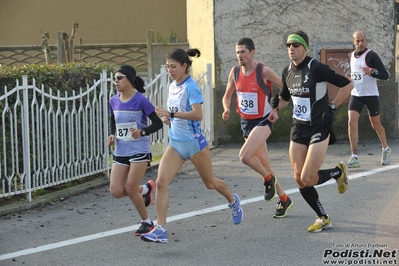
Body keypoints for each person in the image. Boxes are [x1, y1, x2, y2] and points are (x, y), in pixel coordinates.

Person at [141, 48, 243, 243]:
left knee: (210, 183)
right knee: (161, 183)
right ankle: (161, 229)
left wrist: (171, 115)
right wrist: (168, 119)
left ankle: (233, 201)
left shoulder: (191, 87)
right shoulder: (172, 86)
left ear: (184, 66)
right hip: (176, 144)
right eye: (168, 67)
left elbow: (198, 115)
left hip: (195, 144)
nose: (170, 70)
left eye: (174, 66)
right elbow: (175, 114)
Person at [271, 31, 354, 232]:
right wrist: (275, 104)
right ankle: (322, 217)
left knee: (308, 177)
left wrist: (332, 108)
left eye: (296, 45)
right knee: (298, 178)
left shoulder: (315, 67)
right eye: (289, 45)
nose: (291, 48)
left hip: (318, 127)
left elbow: (348, 84)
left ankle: (337, 172)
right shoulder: (287, 71)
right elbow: (284, 100)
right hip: (298, 128)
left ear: (304, 48)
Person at [222, 37, 293, 218]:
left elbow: (285, 89)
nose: (240, 56)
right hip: (246, 122)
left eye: (243, 52)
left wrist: (276, 108)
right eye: (237, 52)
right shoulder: (235, 72)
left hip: (264, 120)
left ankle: (268, 179)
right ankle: (284, 199)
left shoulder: (264, 71)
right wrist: (226, 108)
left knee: (245, 156)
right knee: (264, 164)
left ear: (252, 53)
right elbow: (227, 95)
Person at [107, 64, 163, 236]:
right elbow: (113, 121)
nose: (116, 81)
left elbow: (158, 123)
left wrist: (142, 132)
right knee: (116, 191)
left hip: (139, 149)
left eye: (119, 78)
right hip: (121, 150)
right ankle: (146, 190)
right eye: (114, 78)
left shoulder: (141, 100)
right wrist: (111, 134)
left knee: (131, 188)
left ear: (129, 80)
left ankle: (147, 223)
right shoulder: (113, 100)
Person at [345, 30, 391, 168]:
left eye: (362, 40)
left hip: (371, 94)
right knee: (351, 123)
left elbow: (385, 74)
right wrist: (349, 76)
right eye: (357, 41)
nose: (360, 43)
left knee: (375, 124)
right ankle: (354, 156)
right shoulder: (351, 55)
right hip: (356, 94)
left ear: (366, 40)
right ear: (354, 42)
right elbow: (354, 73)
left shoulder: (371, 56)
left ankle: (386, 149)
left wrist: (371, 72)